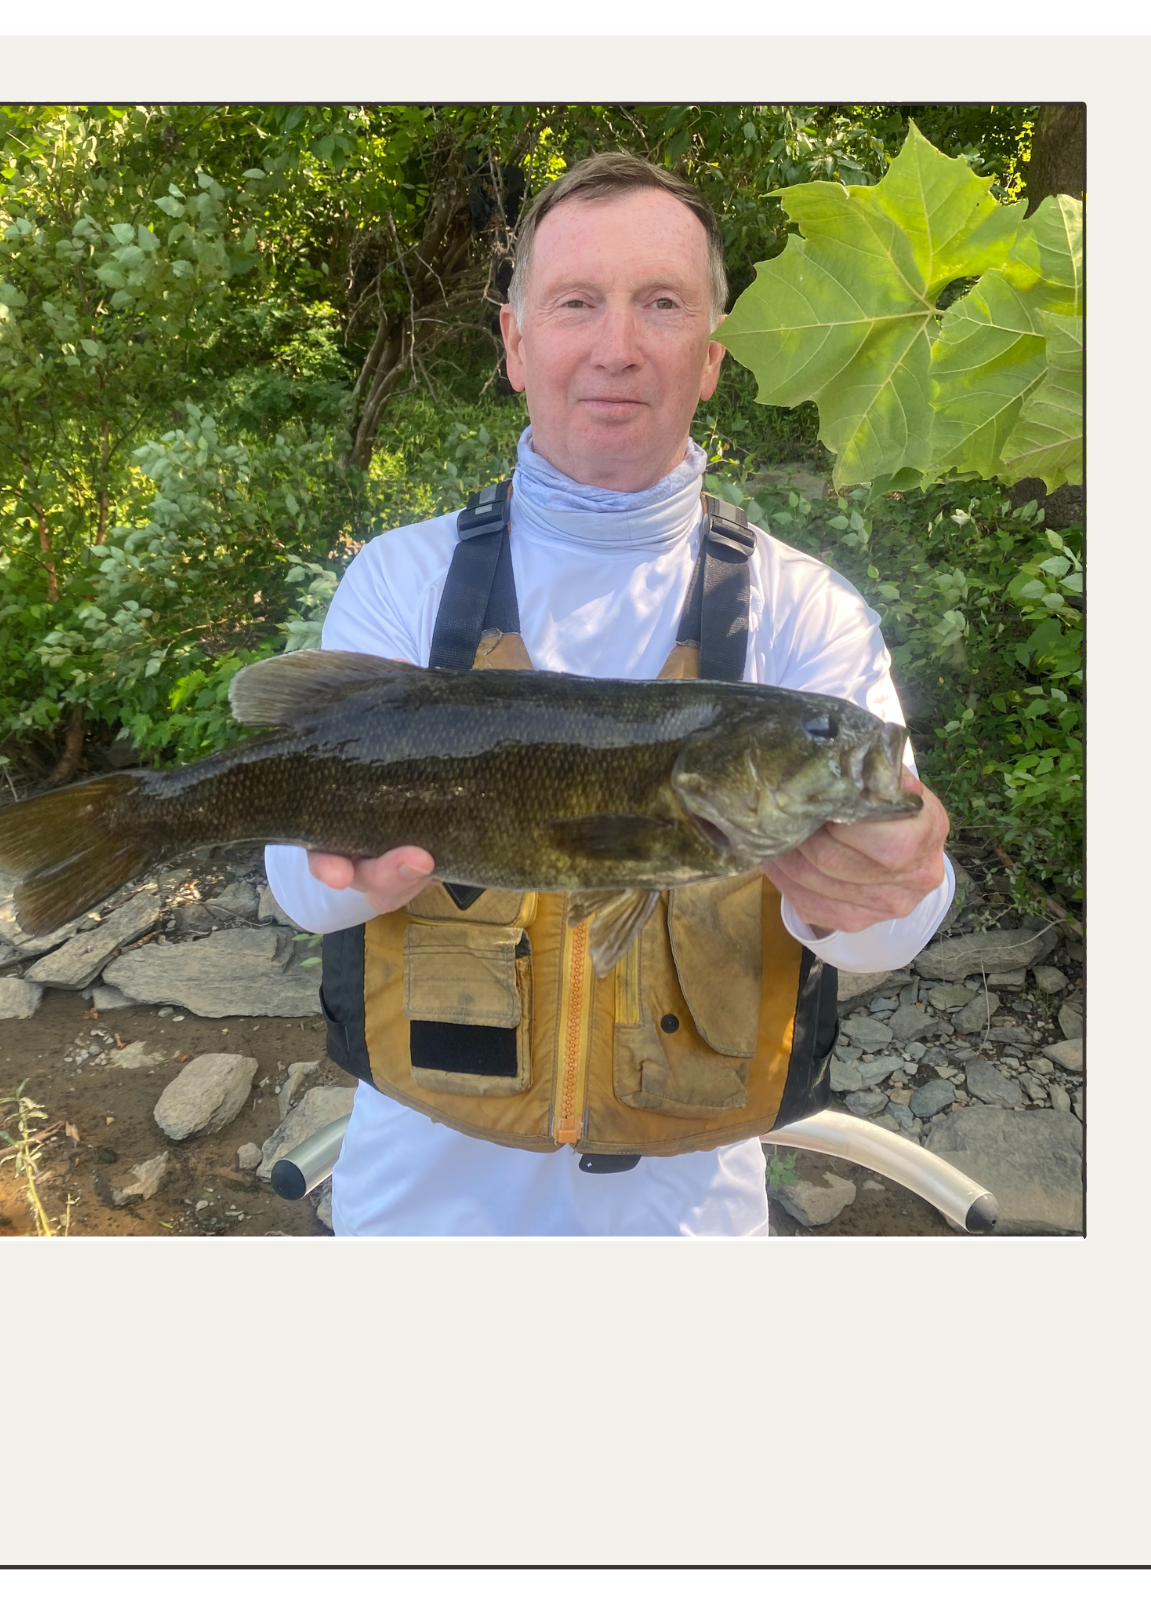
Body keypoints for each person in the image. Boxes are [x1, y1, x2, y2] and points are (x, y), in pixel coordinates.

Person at [264, 152, 953, 1236]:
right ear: (515, 342)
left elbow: (886, 939)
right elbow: (297, 890)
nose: (616, 347)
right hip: (418, 1209)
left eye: (662, 304)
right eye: (576, 302)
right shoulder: (402, 581)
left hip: (687, 1223)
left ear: (712, 356)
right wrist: (347, 873)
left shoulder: (803, 612)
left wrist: (893, 884)